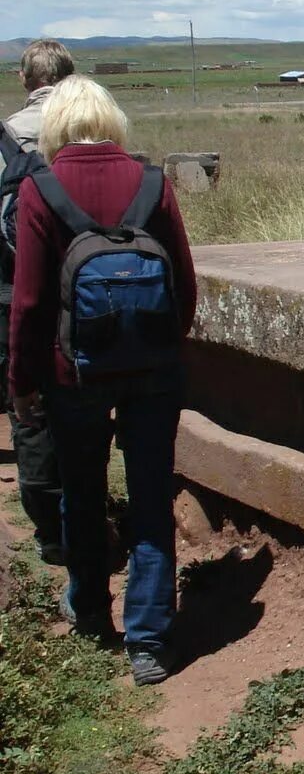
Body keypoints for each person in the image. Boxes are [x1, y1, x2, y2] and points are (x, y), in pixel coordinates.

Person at [9, 76, 197, 684]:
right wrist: (159, 349)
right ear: (113, 120)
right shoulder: (151, 184)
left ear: (57, 123)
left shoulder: (41, 188)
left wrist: (24, 382)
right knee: (149, 494)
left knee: (83, 491)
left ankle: (90, 607)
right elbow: (184, 288)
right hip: (152, 372)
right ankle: (148, 641)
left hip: (74, 374)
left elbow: (32, 303)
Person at [2, 39, 72, 563]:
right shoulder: (90, 126)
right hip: (86, 285)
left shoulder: (7, 135)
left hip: (12, 285)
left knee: (28, 404)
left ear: (26, 80)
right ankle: (90, 507)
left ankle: (51, 530)